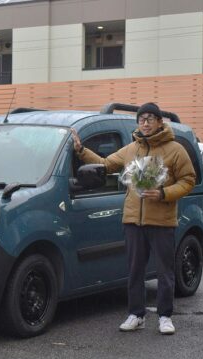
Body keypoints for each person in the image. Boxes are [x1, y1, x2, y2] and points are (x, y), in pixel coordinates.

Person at [71, 102, 196, 335]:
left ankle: (165, 316)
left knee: (164, 271)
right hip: (133, 220)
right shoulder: (131, 149)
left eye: (150, 119)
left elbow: (188, 180)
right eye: (142, 119)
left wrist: (163, 193)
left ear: (160, 122)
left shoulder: (175, 149)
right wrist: (81, 150)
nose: (145, 123)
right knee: (135, 270)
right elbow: (106, 165)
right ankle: (136, 314)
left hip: (162, 220)